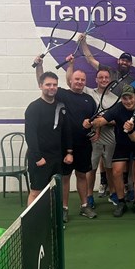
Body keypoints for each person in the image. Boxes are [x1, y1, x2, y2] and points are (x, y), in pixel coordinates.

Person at [34, 57, 96, 221]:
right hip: (65, 147)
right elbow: (43, 82)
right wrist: (39, 66)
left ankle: (84, 206)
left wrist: (94, 128)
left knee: (82, 176)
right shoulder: (61, 94)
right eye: (77, 79)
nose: (79, 82)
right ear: (70, 80)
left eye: (82, 80)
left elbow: (95, 121)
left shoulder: (89, 100)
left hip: (84, 145)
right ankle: (64, 209)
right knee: (65, 178)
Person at [87, 86, 135, 218]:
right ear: (121, 99)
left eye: (130, 98)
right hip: (122, 144)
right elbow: (101, 121)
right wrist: (91, 123)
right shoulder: (118, 108)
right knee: (116, 171)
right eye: (124, 98)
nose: (128, 101)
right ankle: (121, 202)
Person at [24, 71, 73, 206]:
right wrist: (38, 157)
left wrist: (69, 152)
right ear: (40, 86)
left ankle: (51, 221)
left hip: (57, 157)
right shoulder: (33, 108)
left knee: (54, 191)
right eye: (48, 84)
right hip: (40, 159)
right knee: (36, 192)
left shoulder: (60, 106)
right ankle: (33, 224)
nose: (52, 87)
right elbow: (30, 134)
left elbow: (66, 131)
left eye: (55, 85)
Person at [77, 64, 119, 209]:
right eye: (100, 77)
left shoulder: (115, 98)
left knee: (109, 168)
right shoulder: (89, 92)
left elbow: (116, 120)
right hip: (92, 139)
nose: (103, 79)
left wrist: (103, 121)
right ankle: (89, 196)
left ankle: (113, 193)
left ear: (110, 79)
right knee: (91, 169)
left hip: (110, 138)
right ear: (96, 79)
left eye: (106, 77)